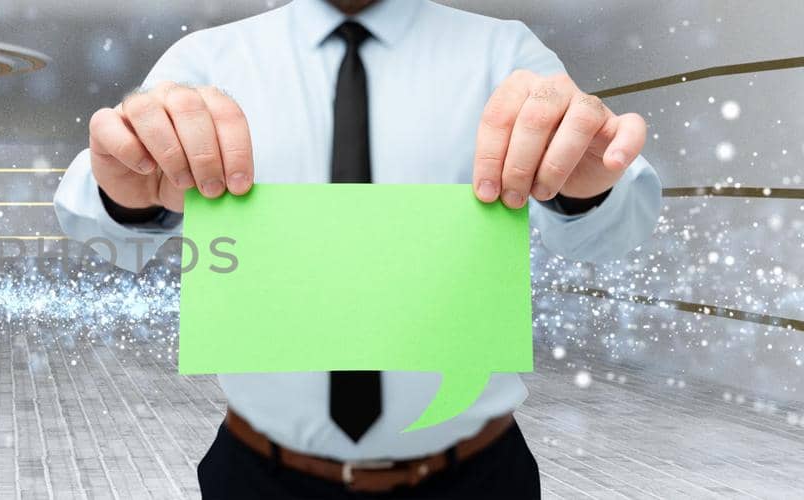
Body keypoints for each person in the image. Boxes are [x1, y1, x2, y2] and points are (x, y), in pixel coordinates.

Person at [52, 0, 663, 497]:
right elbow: (98, 231)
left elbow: (614, 236)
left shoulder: (504, 52)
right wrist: (125, 195)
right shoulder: (206, 60)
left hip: (478, 476)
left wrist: (587, 190)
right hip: (258, 477)